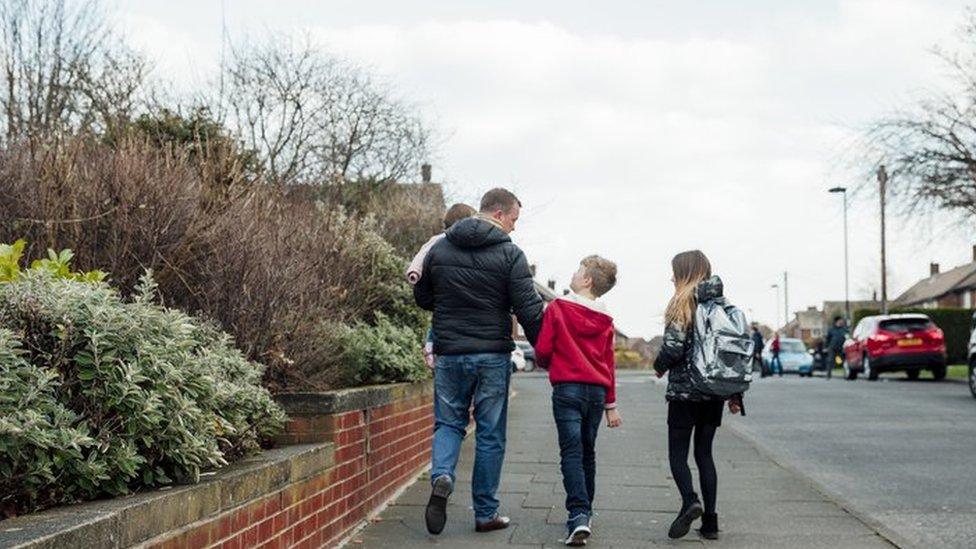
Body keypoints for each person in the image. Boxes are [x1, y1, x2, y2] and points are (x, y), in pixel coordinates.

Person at [414, 188, 544, 535]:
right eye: (514, 219)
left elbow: (423, 296)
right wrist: (545, 351)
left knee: (448, 423)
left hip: (450, 353)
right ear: (499, 214)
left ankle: (442, 475)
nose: (515, 228)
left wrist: (451, 305)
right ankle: (485, 512)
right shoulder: (510, 254)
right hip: (491, 355)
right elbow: (529, 309)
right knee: (489, 434)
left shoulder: (440, 248)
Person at [653, 250, 743, 541]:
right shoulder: (724, 305)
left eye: (674, 272)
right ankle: (711, 523)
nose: (671, 277)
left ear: (684, 273)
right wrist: (736, 393)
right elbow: (734, 353)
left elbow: (674, 347)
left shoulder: (681, 302)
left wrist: (659, 366)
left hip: (684, 393)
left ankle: (690, 501)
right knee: (705, 454)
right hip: (713, 392)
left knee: (677, 454)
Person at [534, 255, 622, 546]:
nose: (574, 273)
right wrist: (611, 405)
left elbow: (543, 349)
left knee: (571, 453)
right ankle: (587, 511)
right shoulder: (606, 319)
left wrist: (552, 364)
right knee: (587, 452)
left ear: (586, 280)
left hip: (568, 390)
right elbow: (609, 364)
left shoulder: (558, 308)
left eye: (578, 270)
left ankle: (579, 515)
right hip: (596, 394)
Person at [405, 203, 478, 369]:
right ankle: (430, 345)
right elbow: (420, 257)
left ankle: (430, 346)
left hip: (447, 328)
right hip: (472, 337)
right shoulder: (441, 241)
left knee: (439, 318)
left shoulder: (440, 246)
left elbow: (424, 298)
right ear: (463, 222)